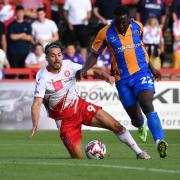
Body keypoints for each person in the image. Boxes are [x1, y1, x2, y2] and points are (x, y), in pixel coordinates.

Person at [30, 41, 151, 160]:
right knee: (78, 157)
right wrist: (35, 123)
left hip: (80, 106)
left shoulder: (68, 65)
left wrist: (106, 76)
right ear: (46, 58)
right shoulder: (43, 78)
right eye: (52, 56)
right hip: (64, 119)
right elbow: (37, 103)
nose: (57, 59)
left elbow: (93, 71)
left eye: (59, 55)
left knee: (116, 125)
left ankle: (139, 152)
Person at [75, 5, 168, 158]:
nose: (122, 25)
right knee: (136, 118)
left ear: (129, 19)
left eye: (125, 22)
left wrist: (151, 67)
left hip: (141, 72)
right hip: (122, 79)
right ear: (114, 21)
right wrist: (85, 68)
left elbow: (141, 49)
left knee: (146, 102)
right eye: (119, 23)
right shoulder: (105, 32)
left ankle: (159, 142)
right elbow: (94, 54)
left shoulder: (138, 26)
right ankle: (140, 126)